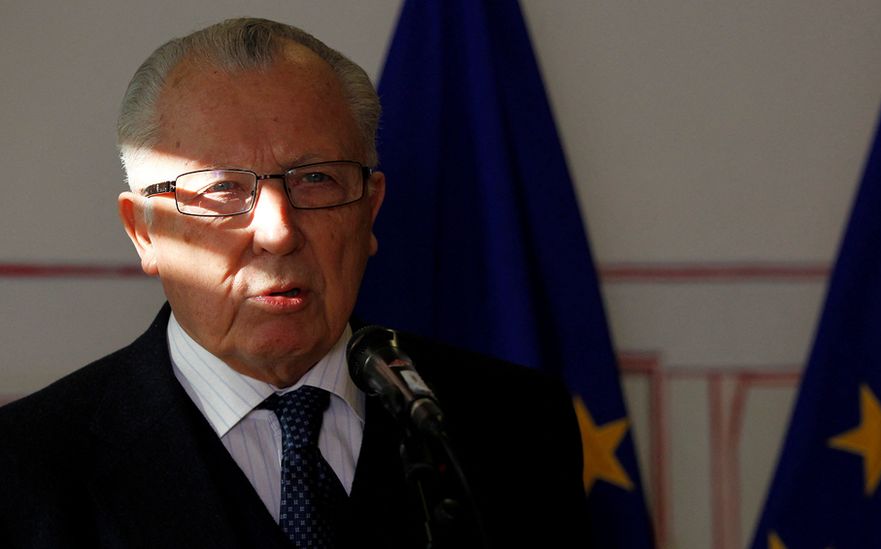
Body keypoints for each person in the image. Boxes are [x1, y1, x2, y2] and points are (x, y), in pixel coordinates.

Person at [0, 17, 591, 549]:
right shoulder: (25, 467)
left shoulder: (514, 425)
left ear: (370, 212)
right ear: (145, 231)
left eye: (315, 179)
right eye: (222, 189)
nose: (278, 231)